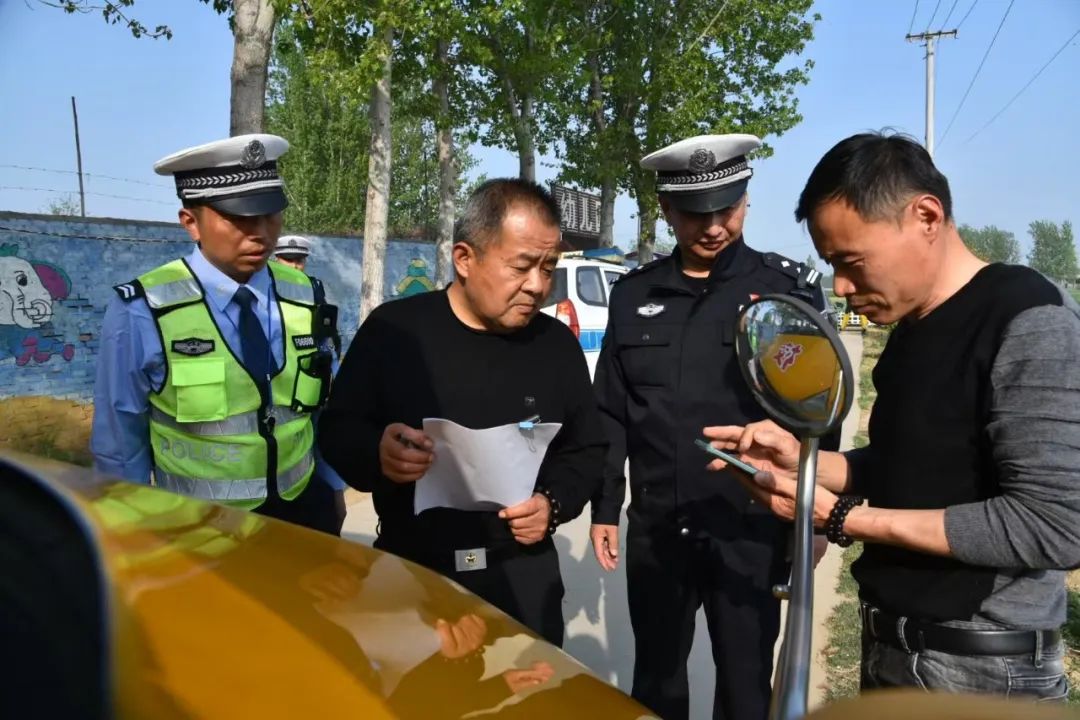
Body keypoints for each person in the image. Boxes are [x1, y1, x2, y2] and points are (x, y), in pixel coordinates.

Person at [704, 131, 1080, 701]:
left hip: (981, 669)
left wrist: (841, 518)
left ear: (926, 216)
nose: (841, 288)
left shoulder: (1030, 320)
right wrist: (809, 463)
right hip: (895, 648)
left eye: (852, 262)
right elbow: (908, 468)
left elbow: (1054, 524)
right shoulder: (910, 330)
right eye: (831, 265)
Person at [590, 133, 834, 720]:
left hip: (747, 529)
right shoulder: (633, 296)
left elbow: (820, 412)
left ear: (746, 200)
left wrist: (819, 508)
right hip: (659, 527)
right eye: (696, 214)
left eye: (727, 209)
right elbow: (611, 410)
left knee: (747, 684)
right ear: (668, 211)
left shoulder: (785, 293)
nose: (714, 227)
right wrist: (604, 507)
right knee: (656, 679)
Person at [317, 178, 606, 647]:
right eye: (521, 266)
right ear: (465, 258)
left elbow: (587, 448)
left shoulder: (555, 347)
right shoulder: (395, 333)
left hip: (521, 575)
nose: (537, 286)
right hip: (415, 574)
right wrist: (378, 454)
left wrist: (552, 505)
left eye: (548, 267)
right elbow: (337, 430)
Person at [90, 133, 342, 534]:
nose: (260, 233)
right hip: (198, 526)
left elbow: (324, 403)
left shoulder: (305, 294)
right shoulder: (143, 310)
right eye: (240, 218)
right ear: (191, 222)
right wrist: (130, 530)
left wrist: (332, 489)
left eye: (270, 214)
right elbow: (121, 441)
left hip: (304, 512)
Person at [271, 232, 350, 535]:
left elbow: (326, 340)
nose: (295, 266)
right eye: (288, 259)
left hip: (315, 383)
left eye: (299, 260)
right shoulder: (263, 295)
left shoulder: (313, 291)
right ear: (275, 259)